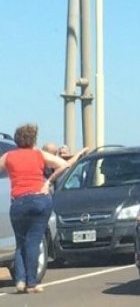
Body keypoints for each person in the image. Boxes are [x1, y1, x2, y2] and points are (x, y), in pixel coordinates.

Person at [0, 124, 86, 294]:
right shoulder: (39, 154)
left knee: (20, 242)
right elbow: (63, 164)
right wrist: (48, 182)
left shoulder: (8, 156)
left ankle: (19, 280)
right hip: (39, 199)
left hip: (18, 201)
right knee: (34, 241)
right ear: (33, 140)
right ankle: (31, 282)